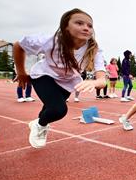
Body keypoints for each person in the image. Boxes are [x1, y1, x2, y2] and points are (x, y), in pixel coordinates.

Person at [13, 8, 106, 148]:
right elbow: (18, 45)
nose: (86, 28)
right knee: (59, 109)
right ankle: (40, 125)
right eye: (79, 23)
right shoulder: (50, 41)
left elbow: (102, 79)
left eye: (89, 25)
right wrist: (21, 72)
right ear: (66, 27)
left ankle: (37, 123)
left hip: (68, 81)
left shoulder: (94, 49)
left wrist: (96, 81)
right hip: (44, 75)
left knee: (50, 109)